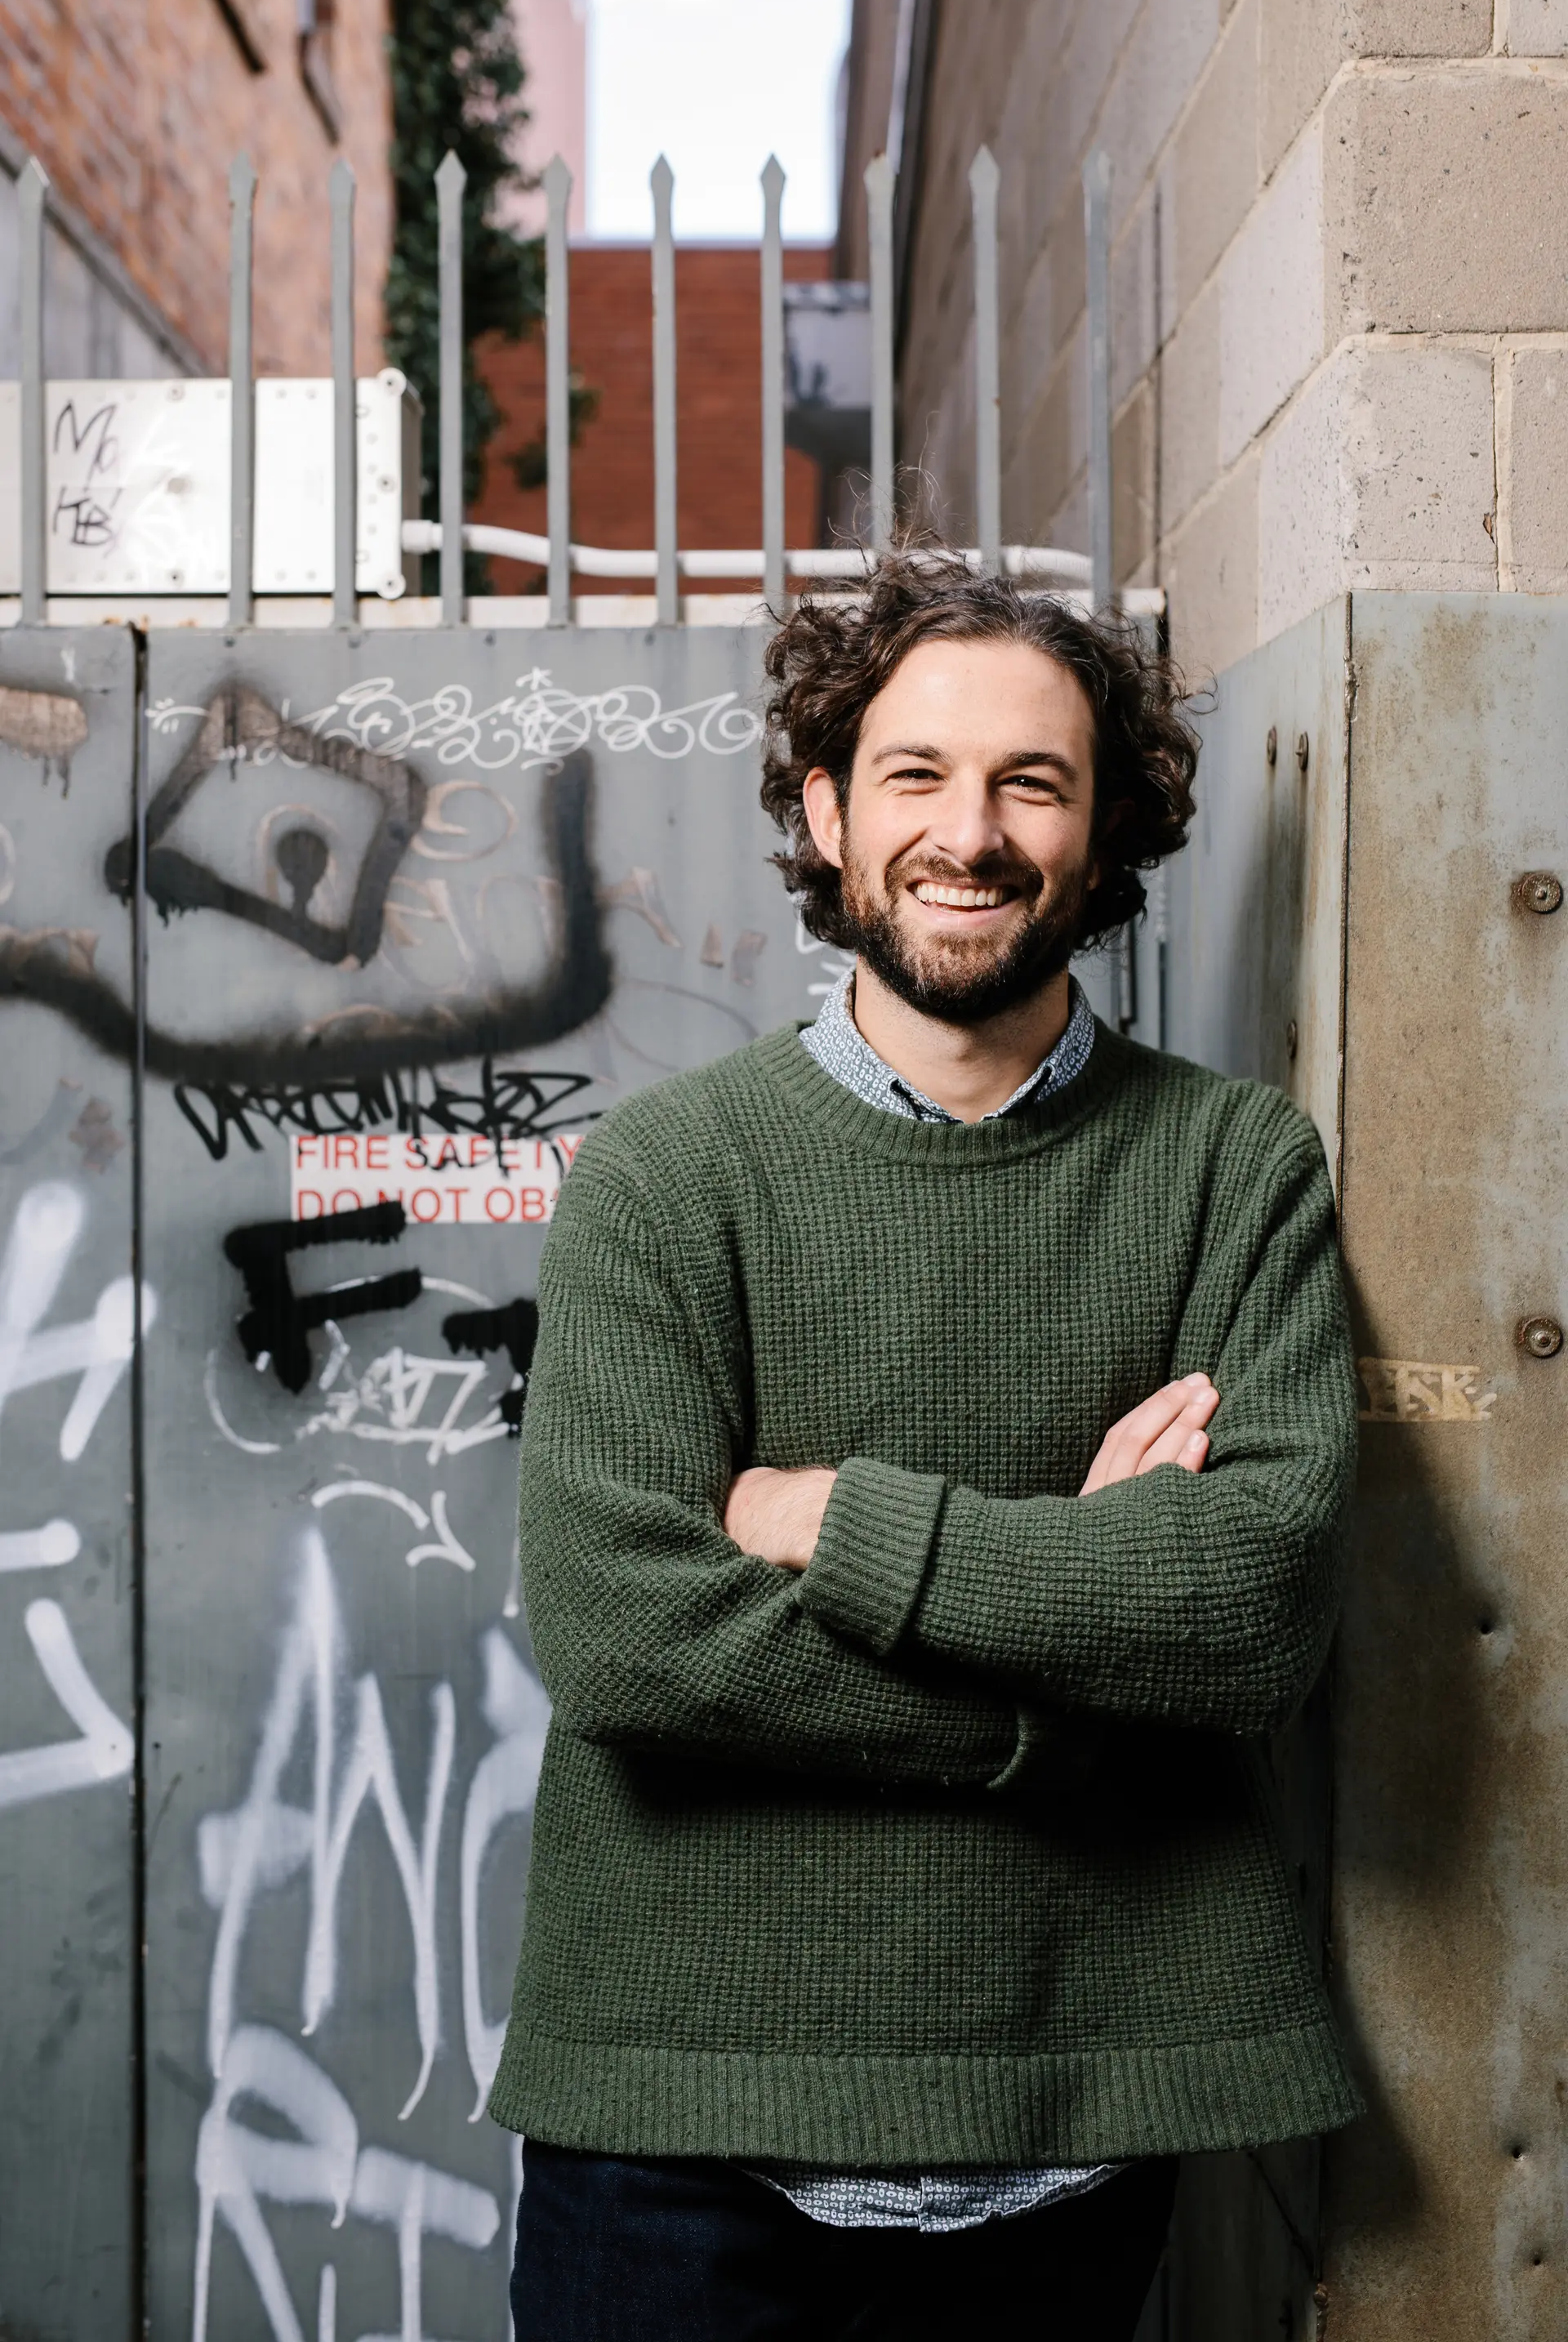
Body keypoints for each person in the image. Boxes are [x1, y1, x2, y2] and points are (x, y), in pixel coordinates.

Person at [491, 552, 1362, 2340]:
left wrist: (841, 1525)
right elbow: (627, 1637)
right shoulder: (667, 1181)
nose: (970, 834)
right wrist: (1081, 1656)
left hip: (1076, 2110)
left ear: (1107, 831)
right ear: (822, 810)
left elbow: (1253, 1613)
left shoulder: (1235, 1169)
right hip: (682, 2122)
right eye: (914, 775)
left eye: (1032, 782)